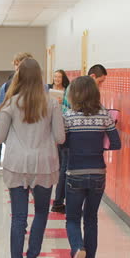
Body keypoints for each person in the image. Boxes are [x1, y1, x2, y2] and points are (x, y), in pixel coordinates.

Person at [0, 58, 65, 258]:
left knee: (19, 217)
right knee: (42, 212)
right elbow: (61, 137)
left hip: (17, 165)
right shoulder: (52, 103)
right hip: (44, 164)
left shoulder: (10, 103)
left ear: (19, 77)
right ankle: (31, 257)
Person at [64, 75, 121, 258]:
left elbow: (62, 143)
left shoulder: (69, 117)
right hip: (98, 172)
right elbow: (116, 144)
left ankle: (78, 247)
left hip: (75, 173)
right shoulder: (104, 116)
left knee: (72, 218)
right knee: (91, 219)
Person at [48, 69, 71, 213]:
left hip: (64, 126)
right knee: (63, 165)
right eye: (55, 77)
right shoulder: (48, 90)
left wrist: (62, 102)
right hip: (53, 126)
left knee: (63, 164)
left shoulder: (67, 91)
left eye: (59, 77)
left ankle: (59, 199)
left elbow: (70, 106)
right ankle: (58, 200)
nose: (57, 79)